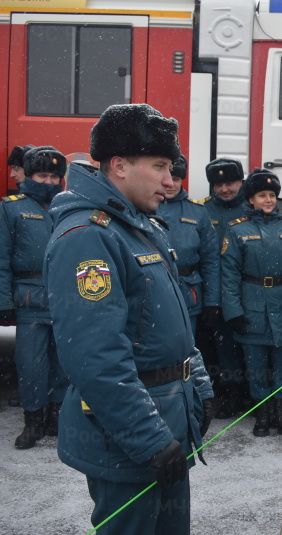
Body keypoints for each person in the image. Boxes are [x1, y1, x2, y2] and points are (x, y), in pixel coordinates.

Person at [44, 104, 214, 534]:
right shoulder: (88, 236)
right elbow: (96, 361)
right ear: (118, 166)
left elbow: (172, 326)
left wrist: (200, 387)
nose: (170, 182)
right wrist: (150, 441)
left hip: (166, 423)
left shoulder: (138, 227)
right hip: (128, 440)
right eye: (159, 167)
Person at [220, 168, 282, 436]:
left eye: (272, 195)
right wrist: (234, 311)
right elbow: (228, 276)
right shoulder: (238, 230)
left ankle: (281, 412)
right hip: (253, 307)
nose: (268, 200)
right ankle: (262, 414)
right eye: (262, 195)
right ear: (251, 199)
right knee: (257, 367)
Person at [0, 145, 69, 448]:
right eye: (43, 175)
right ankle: (33, 421)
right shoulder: (10, 208)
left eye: (55, 176)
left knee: (63, 363)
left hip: (67, 300)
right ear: (29, 175)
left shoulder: (70, 207)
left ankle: (57, 417)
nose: (49, 182)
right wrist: (3, 302)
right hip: (30, 300)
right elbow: (1, 260)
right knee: (30, 364)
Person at [202, 157, 249, 418]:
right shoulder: (203, 211)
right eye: (218, 184)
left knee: (250, 345)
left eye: (230, 183)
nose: (224, 189)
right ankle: (228, 395)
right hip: (215, 289)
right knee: (223, 346)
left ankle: (249, 393)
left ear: (241, 182)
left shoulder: (250, 209)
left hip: (246, 289)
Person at [157, 154, 220, 337]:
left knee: (186, 350)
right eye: (166, 177)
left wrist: (212, 301)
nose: (170, 184)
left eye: (176, 179)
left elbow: (211, 260)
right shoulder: (144, 207)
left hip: (188, 294)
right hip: (154, 291)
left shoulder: (198, 212)